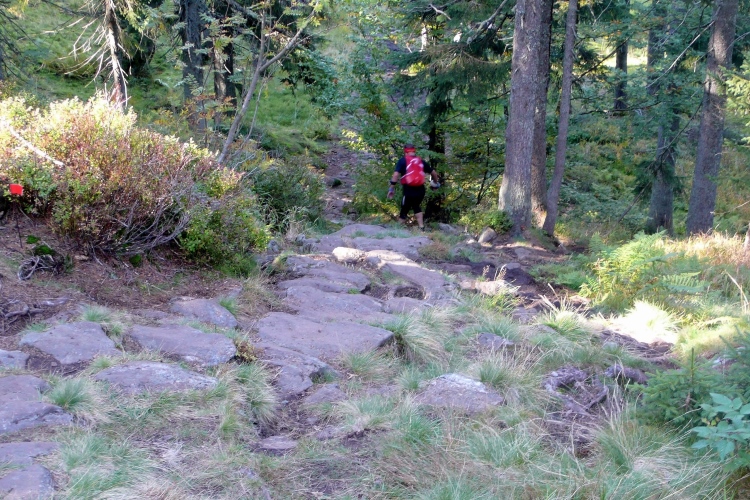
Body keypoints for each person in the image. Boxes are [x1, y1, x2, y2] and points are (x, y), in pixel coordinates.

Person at [387, 144, 440, 231]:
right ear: (414, 151)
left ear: (405, 152)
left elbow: (396, 175)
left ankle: (397, 229)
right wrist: (435, 183)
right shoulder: (421, 161)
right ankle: (421, 227)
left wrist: (391, 188)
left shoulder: (402, 161)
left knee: (404, 209)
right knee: (416, 206)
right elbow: (433, 173)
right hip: (421, 190)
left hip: (409, 190)